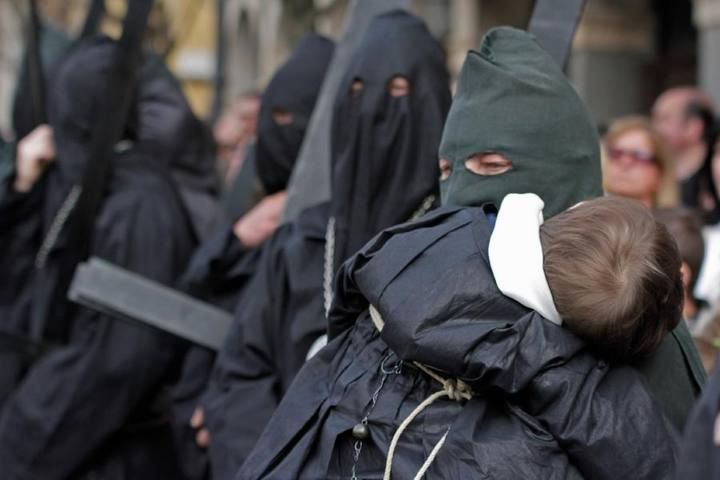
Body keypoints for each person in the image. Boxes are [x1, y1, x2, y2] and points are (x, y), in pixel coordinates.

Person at [239, 27, 685, 480]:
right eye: (447, 171)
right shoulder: (406, 281)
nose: (466, 192)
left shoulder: (633, 302)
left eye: (492, 167)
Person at [197, 11, 451, 479]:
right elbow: (241, 375)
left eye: (399, 93)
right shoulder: (302, 239)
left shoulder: (451, 244)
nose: (375, 110)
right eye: (357, 93)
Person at [0, 36, 197, 479]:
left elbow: (122, 357)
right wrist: (22, 189)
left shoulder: (139, 204)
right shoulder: (87, 187)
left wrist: (23, 438)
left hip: (108, 453)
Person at [169, 33, 335, 480]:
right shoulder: (252, 204)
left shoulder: (330, 232)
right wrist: (235, 241)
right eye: (270, 118)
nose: (275, 132)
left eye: (290, 118)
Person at [652, 87, 718, 221]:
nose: (653, 127)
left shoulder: (713, 180)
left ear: (693, 127)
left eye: (664, 119)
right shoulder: (651, 175)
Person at [603, 115, 679, 208]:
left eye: (639, 156)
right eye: (617, 153)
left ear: (661, 173)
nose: (625, 162)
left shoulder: (676, 221)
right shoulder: (585, 217)